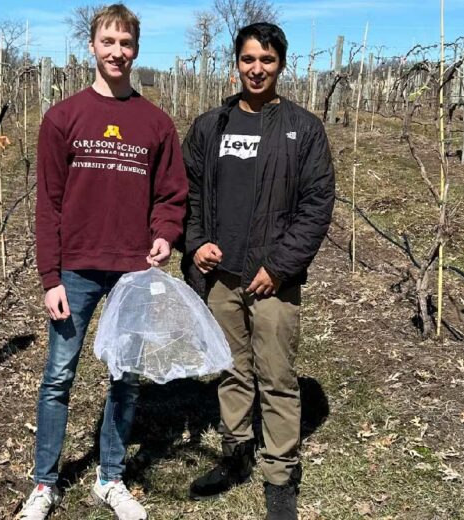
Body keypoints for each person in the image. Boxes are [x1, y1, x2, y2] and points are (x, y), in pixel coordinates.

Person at [19, 5, 187, 520]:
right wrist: (51, 277)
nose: (117, 52)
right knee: (58, 376)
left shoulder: (156, 123)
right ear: (91, 46)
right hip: (76, 268)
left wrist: (164, 234)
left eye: (126, 43)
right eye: (108, 42)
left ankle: (110, 478)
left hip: (133, 271)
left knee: (125, 375)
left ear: (137, 49)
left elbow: (172, 194)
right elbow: (48, 203)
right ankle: (45, 483)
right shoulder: (63, 118)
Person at [182, 22, 335, 520]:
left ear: (280, 65)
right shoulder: (211, 126)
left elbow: (316, 205)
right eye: (249, 59)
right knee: (230, 368)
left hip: (273, 280)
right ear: (237, 63)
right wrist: (197, 243)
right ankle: (236, 451)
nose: (257, 68)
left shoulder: (302, 128)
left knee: (277, 376)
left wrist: (280, 265)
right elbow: (191, 195)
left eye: (266, 60)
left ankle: (280, 474)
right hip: (222, 275)